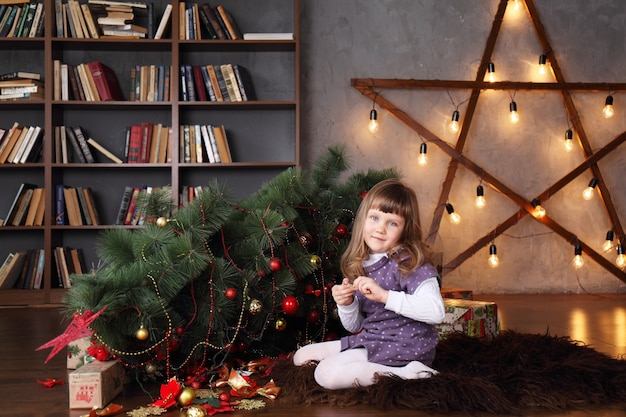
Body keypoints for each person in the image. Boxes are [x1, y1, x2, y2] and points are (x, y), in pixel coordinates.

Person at [293, 178, 445, 390]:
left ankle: (408, 374)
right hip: (373, 338)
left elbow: (436, 312)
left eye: (392, 223)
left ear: (405, 229)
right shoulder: (361, 263)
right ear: (363, 219)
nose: (380, 229)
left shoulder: (408, 262)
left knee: (326, 374)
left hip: (406, 346)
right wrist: (347, 304)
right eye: (374, 218)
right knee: (301, 357)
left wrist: (384, 296)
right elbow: (354, 326)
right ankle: (370, 366)